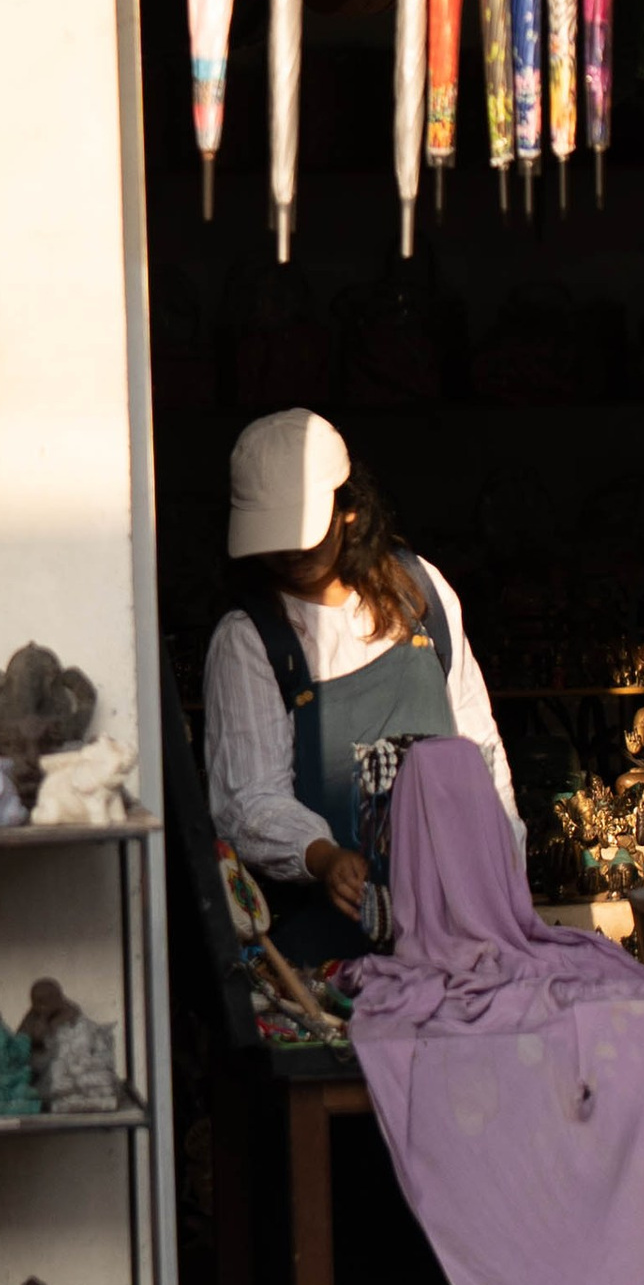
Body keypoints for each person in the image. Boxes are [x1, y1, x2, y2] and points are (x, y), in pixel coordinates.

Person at [203, 407, 522, 971]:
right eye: (275, 541)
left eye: (305, 535)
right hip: (326, 950)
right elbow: (246, 800)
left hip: (457, 935)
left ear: (349, 511)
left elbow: (481, 749)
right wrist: (324, 858)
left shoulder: (417, 589)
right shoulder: (251, 638)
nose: (291, 554)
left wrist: (504, 885)